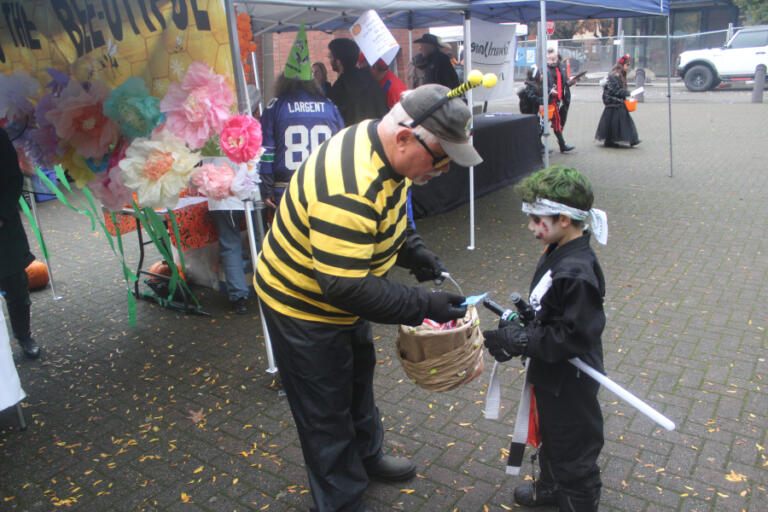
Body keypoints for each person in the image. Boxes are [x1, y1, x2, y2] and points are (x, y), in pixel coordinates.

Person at [255, 84, 482, 512]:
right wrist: (423, 304)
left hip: (346, 291)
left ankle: (366, 455)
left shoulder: (385, 148)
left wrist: (411, 248)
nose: (444, 170)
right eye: (441, 160)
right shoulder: (348, 184)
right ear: (404, 137)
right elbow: (345, 287)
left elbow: (389, 208)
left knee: (358, 378)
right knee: (324, 405)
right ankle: (340, 498)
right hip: (303, 304)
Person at [482, 165, 608, 512]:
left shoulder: (577, 272)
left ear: (565, 219)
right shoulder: (559, 250)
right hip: (553, 376)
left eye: (538, 219)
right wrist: (524, 329)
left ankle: (576, 501)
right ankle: (551, 491)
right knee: (553, 436)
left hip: (572, 379)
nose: (531, 227)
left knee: (574, 448)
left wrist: (522, 342)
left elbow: (574, 336)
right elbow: (550, 316)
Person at [261, 28, 344, 213]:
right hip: (325, 187)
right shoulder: (330, 106)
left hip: (287, 188)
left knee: (288, 240)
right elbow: (342, 146)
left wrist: (265, 188)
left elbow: (266, 151)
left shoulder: (275, 106)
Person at [0, 126, 41, 359]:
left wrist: (2, 215)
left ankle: (24, 336)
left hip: (3, 230)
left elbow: (12, 177)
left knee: (15, 285)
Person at [327, 38, 388, 126]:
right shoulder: (372, 81)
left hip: (351, 137)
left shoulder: (339, 89)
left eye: (330, 57)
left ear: (338, 61)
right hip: (375, 134)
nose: (330, 60)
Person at [595, 54, 640, 148]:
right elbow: (616, 90)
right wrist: (628, 93)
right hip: (613, 101)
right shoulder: (616, 75)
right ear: (622, 65)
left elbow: (616, 90)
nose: (628, 67)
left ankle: (612, 139)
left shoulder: (617, 74)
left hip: (612, 100)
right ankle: (632, 139)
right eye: (627, 65)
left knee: (614, 122)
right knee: (624, 120)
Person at [546, 49, 574, 153]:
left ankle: (562, 145)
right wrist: (550, 91)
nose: (552, 61)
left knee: (555, 122)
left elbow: (564, 82)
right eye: (550, 59)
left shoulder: (560, 68)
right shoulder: (546, 70)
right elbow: (542, 85)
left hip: (558, 99)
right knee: (551, 122)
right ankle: (562, 145)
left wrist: (571, 82)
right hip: (549, 100)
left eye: (554, 59)